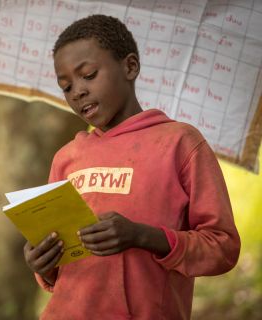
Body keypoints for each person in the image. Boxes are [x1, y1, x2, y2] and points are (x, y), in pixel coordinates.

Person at [23, 14, 241, 320]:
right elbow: (61, 267)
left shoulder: (180, 143)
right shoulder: (67, 158)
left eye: (89, 74)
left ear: (130, 67)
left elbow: (223, 248)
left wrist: (142, 236)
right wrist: (43, 262)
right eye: (66, 85)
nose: (77, 91)